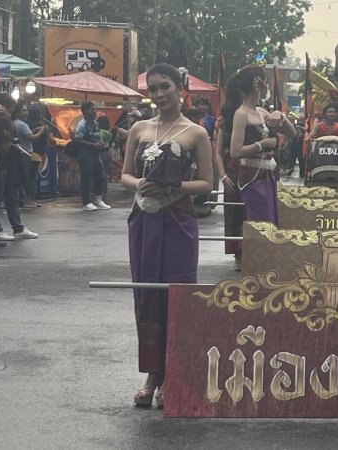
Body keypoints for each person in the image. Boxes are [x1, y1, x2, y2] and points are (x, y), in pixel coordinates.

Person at [120, 63, 214, 407]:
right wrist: (141, 184)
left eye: (166, 87)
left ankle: (176, 372)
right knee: (146, 295)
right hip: (143, 220)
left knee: (178, 294)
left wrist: (175, 186)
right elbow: (125, 176)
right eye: (153, 89)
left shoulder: (196, 133)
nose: (159, 94)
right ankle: (152, 373)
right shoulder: (139, 129)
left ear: (181, 88)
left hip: (179, 221)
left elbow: (207, 184)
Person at [225, 64, 296, 224]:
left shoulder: (262, 112)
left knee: (271, 221)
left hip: (268, 175)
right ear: (257, 84)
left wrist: (281, 116)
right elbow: (235, 151)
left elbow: (292, 134)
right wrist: (262, 144)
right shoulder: (241, 114)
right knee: (260, 222)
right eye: (265, 81)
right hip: (252, 176)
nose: (267, 86)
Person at [0, 107, 39, 241]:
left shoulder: (4, 117)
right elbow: (5, 141)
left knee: (9, 194)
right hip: (1, 162)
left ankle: (17, 228)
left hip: (4, 163)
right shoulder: (2, 119)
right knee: (1, 196)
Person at [214, 119, 245, 271]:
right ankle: (238, 254)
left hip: (254, 174)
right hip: (232, 174)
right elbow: (218, 153)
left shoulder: (255, 120)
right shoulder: (225, 126)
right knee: (234, 214)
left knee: (252, 215)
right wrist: (223, 175)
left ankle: (253, 251)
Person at [73, 101, 111, 211]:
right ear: (85, 111)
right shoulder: (82, 125)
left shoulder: (95, 123)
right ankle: (86, 202)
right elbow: (77, 140)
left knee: (100, 176)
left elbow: (97, 136)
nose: (94, 111)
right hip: (85, 154)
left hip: (96, 154)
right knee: (86, 178)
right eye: (92, 109)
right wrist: (92, 145)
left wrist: (100, 143)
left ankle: (98, 199)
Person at [12, 100, 47, 209]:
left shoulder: (17, 123)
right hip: (26, 153)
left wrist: (35, 130)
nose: (26, 112)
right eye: (24, 110)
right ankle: (27, 200)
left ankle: (29, 200)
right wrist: (43, 130)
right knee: (27, 178)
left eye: (27, 110)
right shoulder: (22, 124)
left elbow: (28, 134)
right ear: (17, 112)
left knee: (28, 177)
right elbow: (33, 138)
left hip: (26, 153)